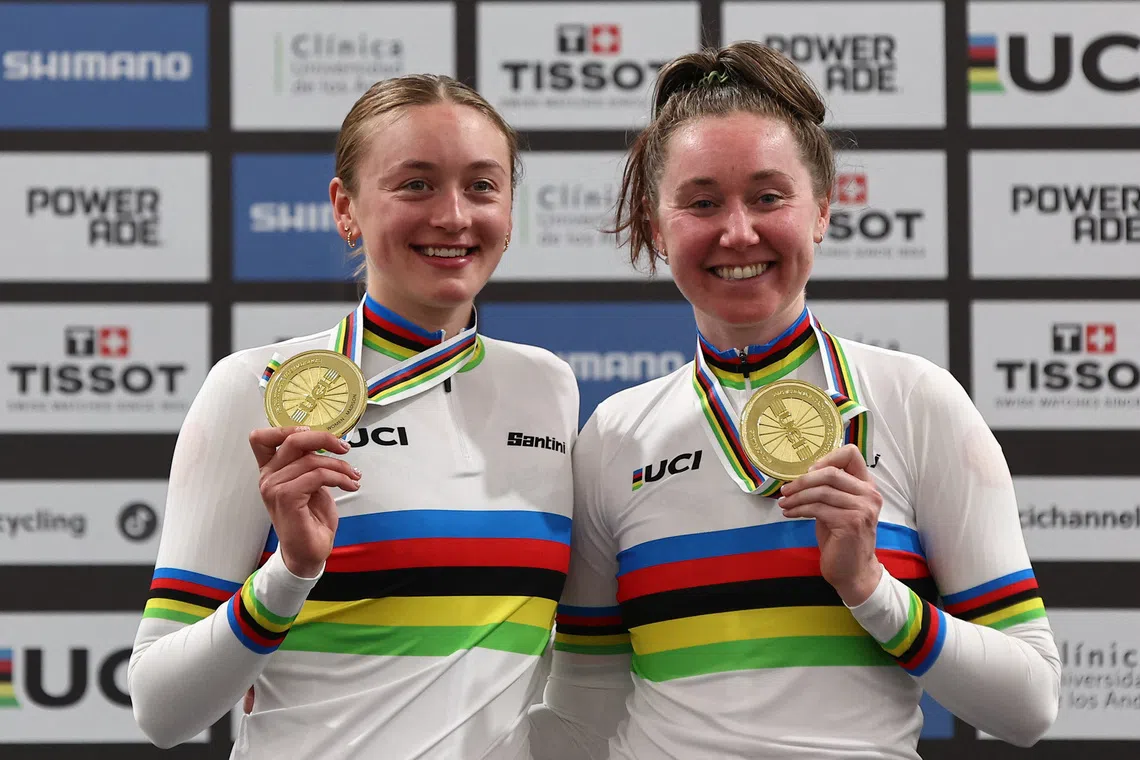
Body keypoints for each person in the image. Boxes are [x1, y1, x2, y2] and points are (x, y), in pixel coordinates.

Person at [526, 42, 1061, 759]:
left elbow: (1029, 705)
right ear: (658, 228)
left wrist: (872, 590)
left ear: (821, 213)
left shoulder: (915, 402)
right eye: (702, 202)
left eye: (769, 197)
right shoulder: (615, 436)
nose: (738, 231)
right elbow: (585, 711)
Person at [128, 74, 580, 760]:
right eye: (416, 185)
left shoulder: (546, 386)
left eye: (482, 186)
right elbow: (161, 708)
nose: (454, 216)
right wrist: (288, 577)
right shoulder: (256, 388)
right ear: (347, 207)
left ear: (510, 209)